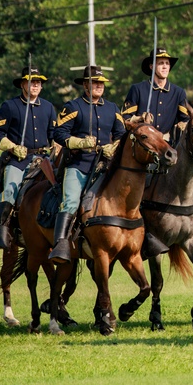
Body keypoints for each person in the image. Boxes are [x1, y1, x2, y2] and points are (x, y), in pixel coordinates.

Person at [122, 46, 193, 247]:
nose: (165, 66)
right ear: (152, 66)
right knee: (143, 180)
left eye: (167, 63)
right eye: (160, 63)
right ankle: (141, 225)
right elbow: (124, 119)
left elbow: (186, 120)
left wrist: (181, 127)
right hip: (145, 149)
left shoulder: (178, 92)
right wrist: (141, 118)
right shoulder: (138, 89)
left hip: (168, 148)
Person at [49, 65, 125, 264]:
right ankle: (61, 244)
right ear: (85, 85)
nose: (99, 86)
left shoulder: (112, 108)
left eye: (101, 83)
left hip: (104, 167)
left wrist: (113, 146)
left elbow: (121, 134)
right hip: (79, 165)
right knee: (71, 201)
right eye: (95, 83)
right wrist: (79, 142)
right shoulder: (73, 107)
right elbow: (58, 133)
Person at [0, 65, 58, 251]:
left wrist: (58, 147)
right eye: (31, 82)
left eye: (38, 82)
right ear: (22, 84)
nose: (35, 85)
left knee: (59, 188)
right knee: (10, 190)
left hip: (44, 160)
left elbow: (55, 134)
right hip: (18, 159)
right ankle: (1, 230)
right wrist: (11, 147)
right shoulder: (9, 106)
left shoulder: (49, 107)